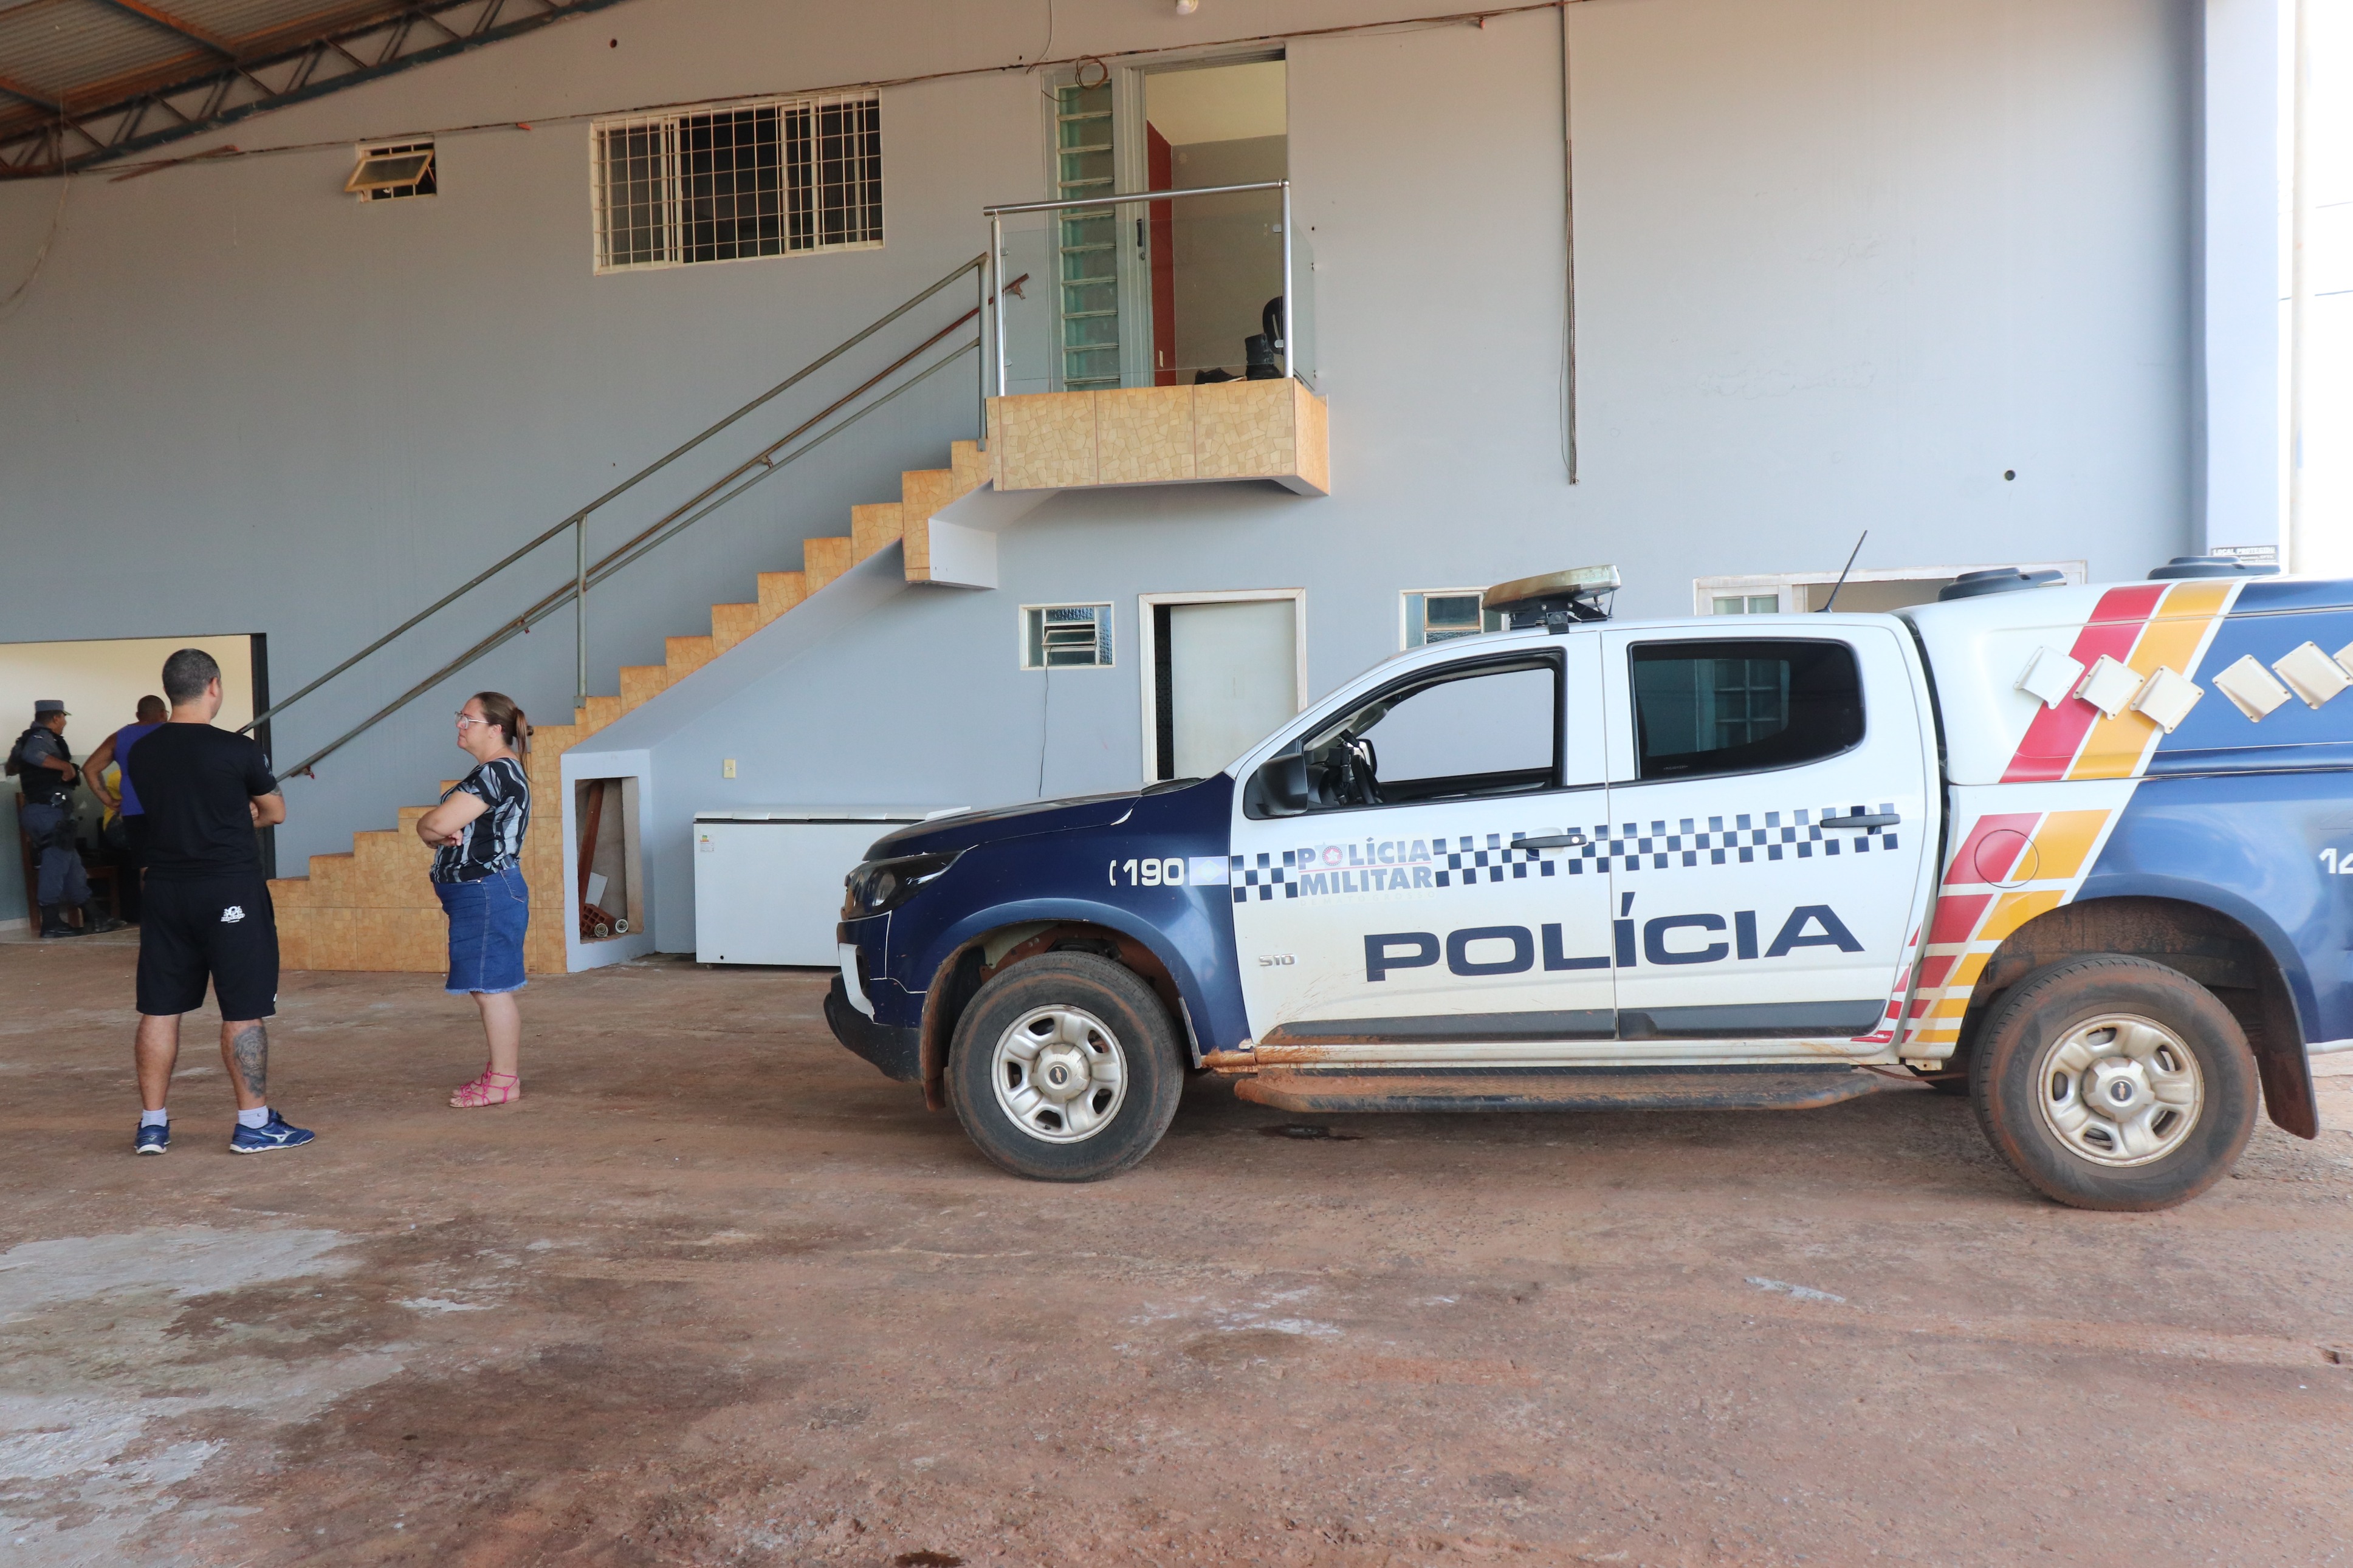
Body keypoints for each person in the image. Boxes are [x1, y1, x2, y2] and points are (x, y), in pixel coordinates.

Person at [122, 649, 312, 1155]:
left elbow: (156, 814)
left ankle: (152, 1125)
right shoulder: (237, 749)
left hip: (165, 890)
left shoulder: (141, 752)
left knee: (160, 1007)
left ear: (170, 690)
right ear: (213, 686)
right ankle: (253, 1123)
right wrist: (238, 812)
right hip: (229, 890)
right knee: (244, 1008)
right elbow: (275, 811)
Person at [415, 692, 533, 1108]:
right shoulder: (495, 772)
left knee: (490, 988)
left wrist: (429, 827)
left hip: (486, 890)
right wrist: (433, 829)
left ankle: (504, 1080)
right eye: (460, 716)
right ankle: (499, 1072)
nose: (459, 724)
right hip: (482, 891)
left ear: (495, 729)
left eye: (468, 718)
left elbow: (435, 824)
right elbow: (438, 828)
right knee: (487, 985)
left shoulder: (497, 772)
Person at [7, 700, 127, 939]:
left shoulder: (28, 738)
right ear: (56, 717)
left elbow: (12, 767)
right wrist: (65, 767)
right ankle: (51, 923)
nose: (64, 722)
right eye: (63, 717)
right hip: (49, 813)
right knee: (54, 867)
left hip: (48, 813)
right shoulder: (41, 737)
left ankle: (97, 917)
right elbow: (31, 755)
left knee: (73, 867)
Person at [84, 694, 169, 870]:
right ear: (163, 714)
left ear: (138, 715)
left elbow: (89, 769)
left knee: (145, 867)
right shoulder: (172, 733)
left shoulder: (119, 737)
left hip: (133, 811)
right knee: (176, 865)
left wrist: (109, 801)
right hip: (169, 809)